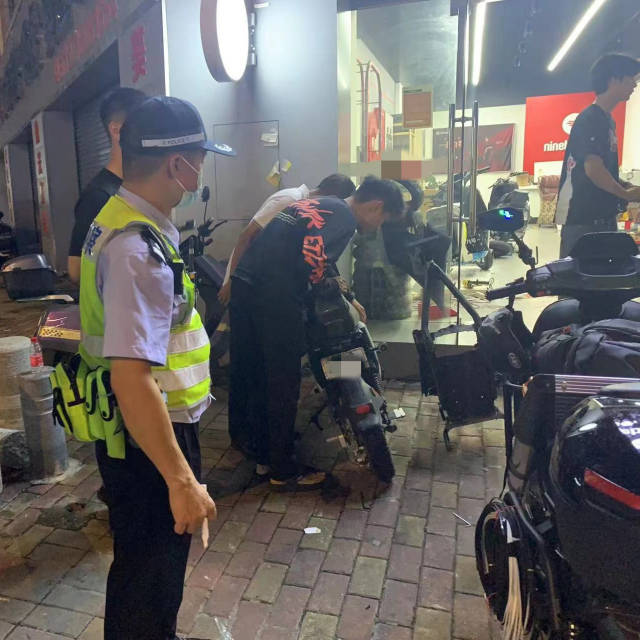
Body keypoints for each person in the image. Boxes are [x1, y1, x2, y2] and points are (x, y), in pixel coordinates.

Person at [78, 96, 235, 640]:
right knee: (152, 575)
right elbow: (132, 376)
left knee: (142, 568)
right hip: (151, 433)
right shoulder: (138, 251)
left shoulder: (119, 218)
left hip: (137, 431)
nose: (201, 170)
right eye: (200, 159)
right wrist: (181, 479)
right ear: (177, 165)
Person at [228, 176, 405, 489]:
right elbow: (314, 259)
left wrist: (345, 292)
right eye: (382, 220)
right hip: (275, 299)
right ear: (376, 206)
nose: (377, 227)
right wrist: (325, 286)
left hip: (247, 286)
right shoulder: (345, 218)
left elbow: (307, 246)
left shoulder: (321, 204)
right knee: (283, 382)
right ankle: (282, 469)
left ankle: (258, 451)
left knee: (254, 375)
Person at [217, 173, 356, 305]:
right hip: (245, 275)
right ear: (332, 196)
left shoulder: (303, 205)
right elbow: (247, 235)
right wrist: (231, 282)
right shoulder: (291, 199)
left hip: (259, 279)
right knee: (231, 317)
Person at [556, 53, 640, 258]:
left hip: (604, 219)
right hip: (583, 221)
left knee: (606, 276)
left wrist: (626, 186)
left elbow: (605, 169)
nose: (634, 85)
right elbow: (593, 170)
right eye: (630, 79)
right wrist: (625, 194)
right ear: (613, 80)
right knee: (577, 277)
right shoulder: (590, 119)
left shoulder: (608, 121)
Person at [67, 87, 146, 282]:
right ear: (116, 130)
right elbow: (76, 268)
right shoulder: (98, 195)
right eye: (143, 125)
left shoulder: (138, 188)